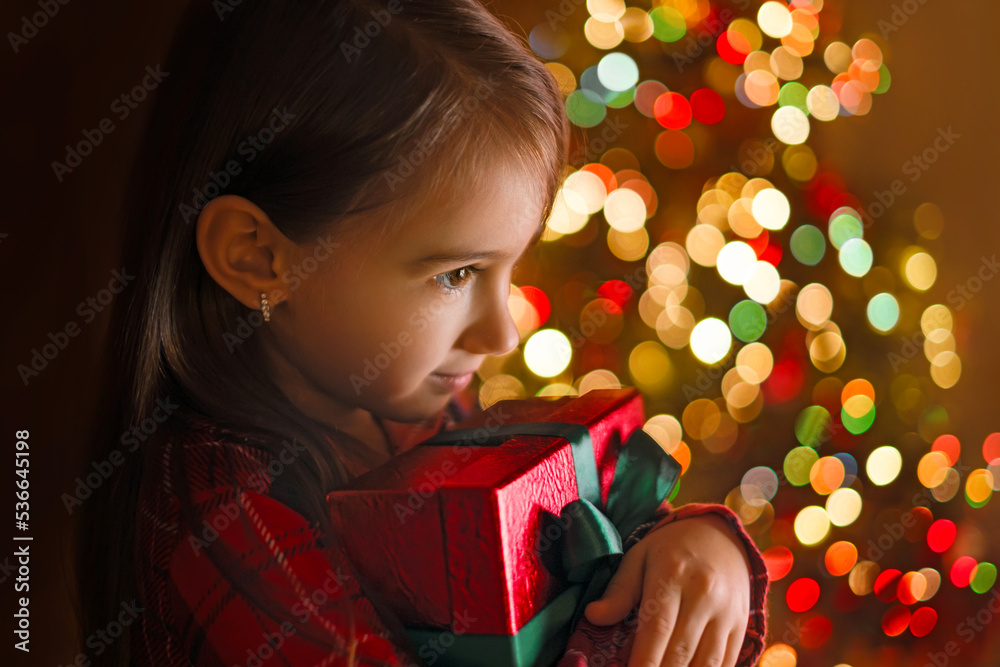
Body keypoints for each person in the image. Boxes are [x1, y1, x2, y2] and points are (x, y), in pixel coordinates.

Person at [75, 1, 768, 665]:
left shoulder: (418, 405)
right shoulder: (228, 522)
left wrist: (699, 549)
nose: (502, 332)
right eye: (456, 274)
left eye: (509, 266)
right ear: (259, 257)